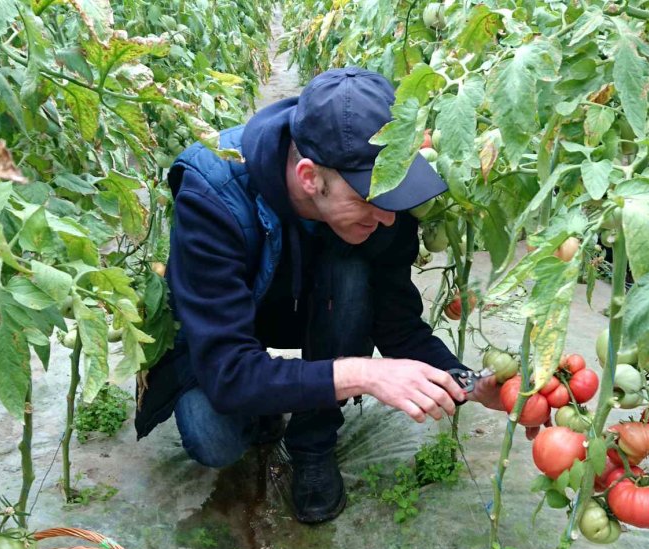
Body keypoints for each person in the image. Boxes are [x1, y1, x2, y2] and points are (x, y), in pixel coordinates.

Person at [135, 67, 501, 524]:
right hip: (233, 327)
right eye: (369, 200)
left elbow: (397, 324)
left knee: (349, 270)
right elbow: (226, 370)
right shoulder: (213, 194)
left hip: (320, 310)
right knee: (214, 437)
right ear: (309, 177)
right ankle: (265, 405)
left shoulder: (384, 196)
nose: (388, 219)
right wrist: (362, 373)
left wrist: (469, 382)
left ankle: (312, 442)